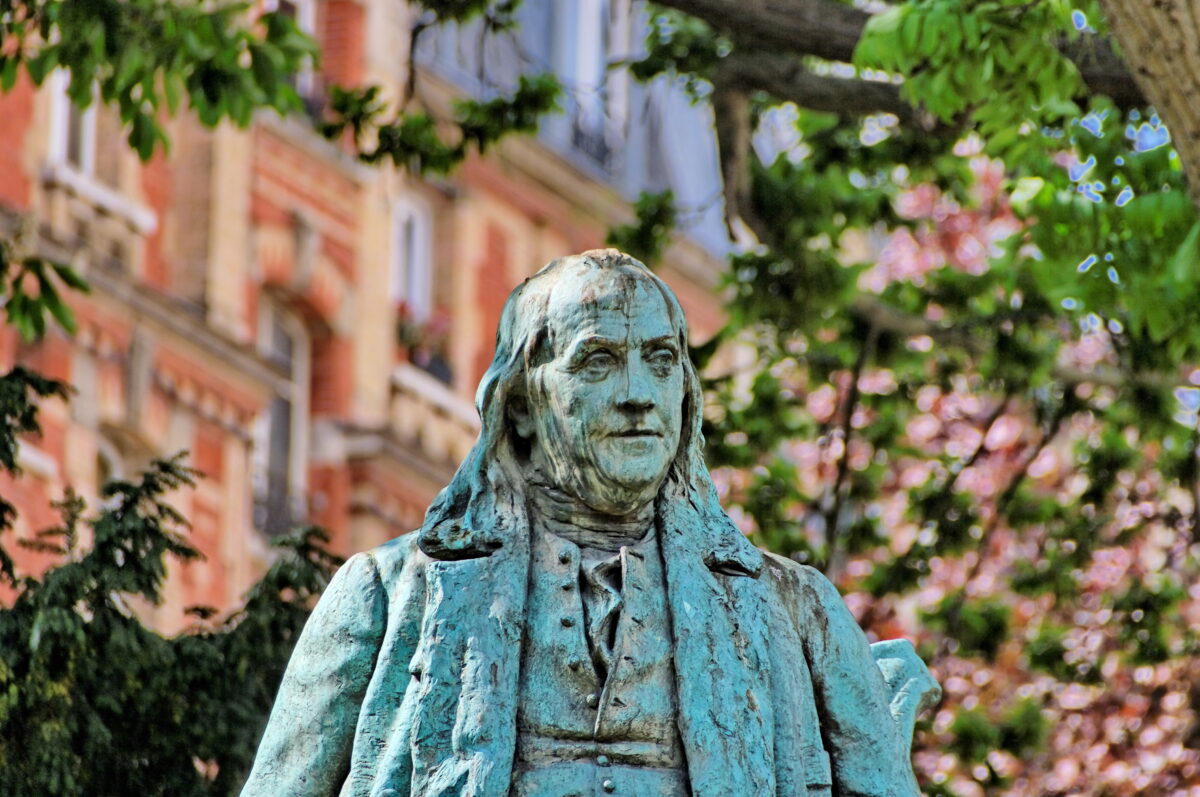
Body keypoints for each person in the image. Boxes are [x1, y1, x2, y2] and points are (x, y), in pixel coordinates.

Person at [241, 250, 939, 797]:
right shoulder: (390, 594)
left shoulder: (797, 608)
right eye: (598, 362)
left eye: (660, 362)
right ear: (518, 404)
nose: (639, 395)